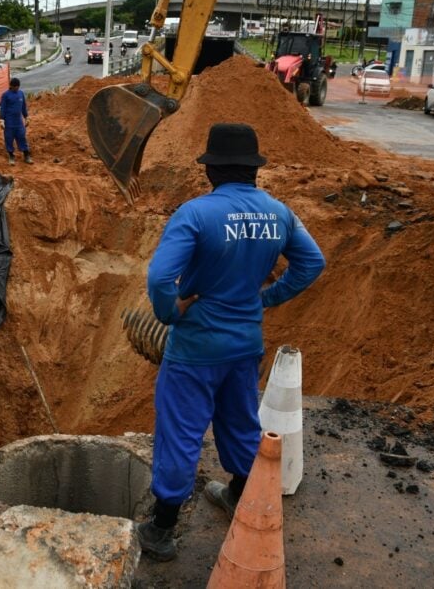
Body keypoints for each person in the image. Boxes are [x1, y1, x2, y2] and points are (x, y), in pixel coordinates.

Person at [136, 123, 326, 562]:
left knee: (181, 432)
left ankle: (161, 528)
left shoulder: (196, 214)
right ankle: (240, 496)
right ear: (254, 171)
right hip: (245, 345)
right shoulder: (278, 212)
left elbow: (161, 277)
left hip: (195, 349)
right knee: (241, 424)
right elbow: (312, 261)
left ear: (211, 172)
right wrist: (266, 298)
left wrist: (169, 313)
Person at [0, 76, 32, 165]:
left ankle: (26, 155)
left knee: (22, 137)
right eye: (15, 87)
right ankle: (11, 156)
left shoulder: (21, 94)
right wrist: (2, 120)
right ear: (11, 86)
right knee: (9, 138)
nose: (17, 88)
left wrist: (26, 117)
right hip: (9, 121)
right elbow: (3, 108)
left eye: (18, 87)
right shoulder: (6, 95)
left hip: (18, 122)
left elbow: (23, 107)